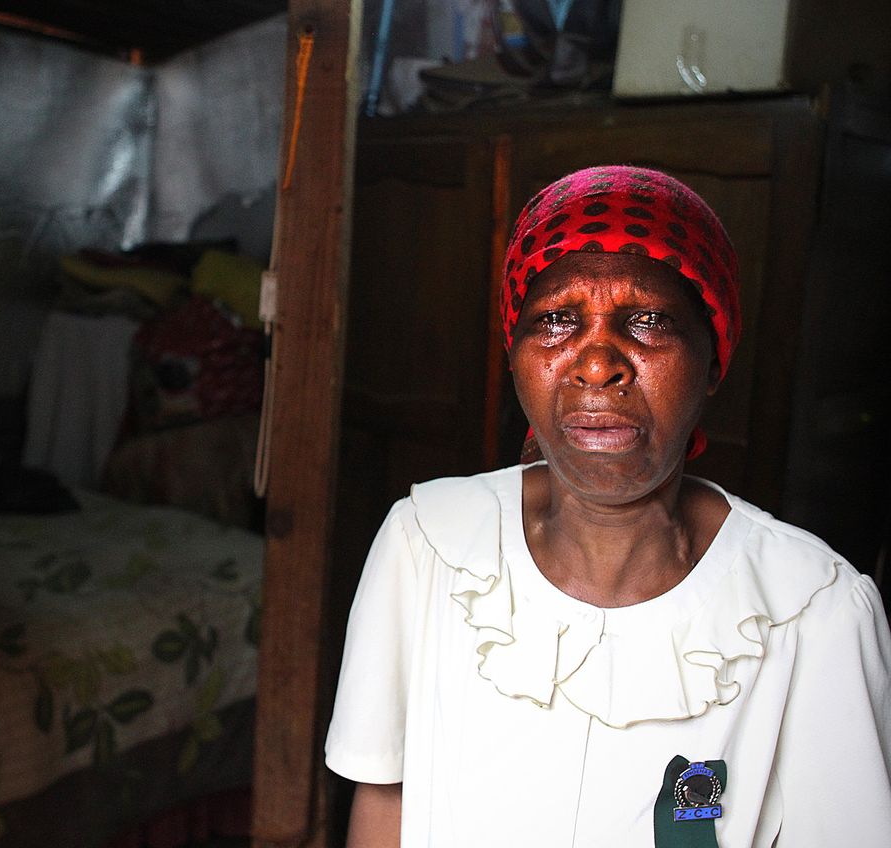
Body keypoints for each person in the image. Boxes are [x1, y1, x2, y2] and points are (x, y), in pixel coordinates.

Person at [325, 165, 891, 846]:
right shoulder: (427, 544)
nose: (597, 364)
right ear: (514, 356)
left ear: (713, 360)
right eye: (557, 321)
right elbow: (384, 805)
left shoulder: (813, 609)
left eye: (648, 321)